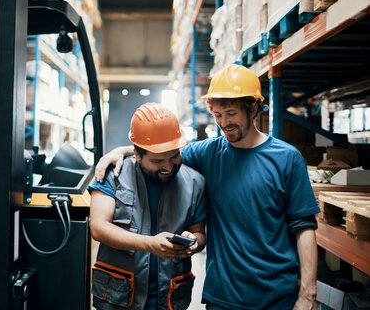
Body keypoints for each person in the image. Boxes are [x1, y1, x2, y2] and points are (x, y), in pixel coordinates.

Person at [95, 64, 320, 310]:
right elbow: (162, 151)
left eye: (231, 113)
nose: (224, 123)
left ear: (253, 107)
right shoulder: (210, 152)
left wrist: (307, 295)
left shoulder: (287, 158)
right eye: (217, 114)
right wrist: (122, 150)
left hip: (277, 296)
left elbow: (304, 228)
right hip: (222, 296)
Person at [89, 102, 207, 310]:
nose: (168, 167)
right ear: (137, 154)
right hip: (118, 299)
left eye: (174, 156)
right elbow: (98, 227)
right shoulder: (112, 174)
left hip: (169, 299)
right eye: (158, 161)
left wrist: (194, 242)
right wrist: (149, 244)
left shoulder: (195, 182)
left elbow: (199, 233)